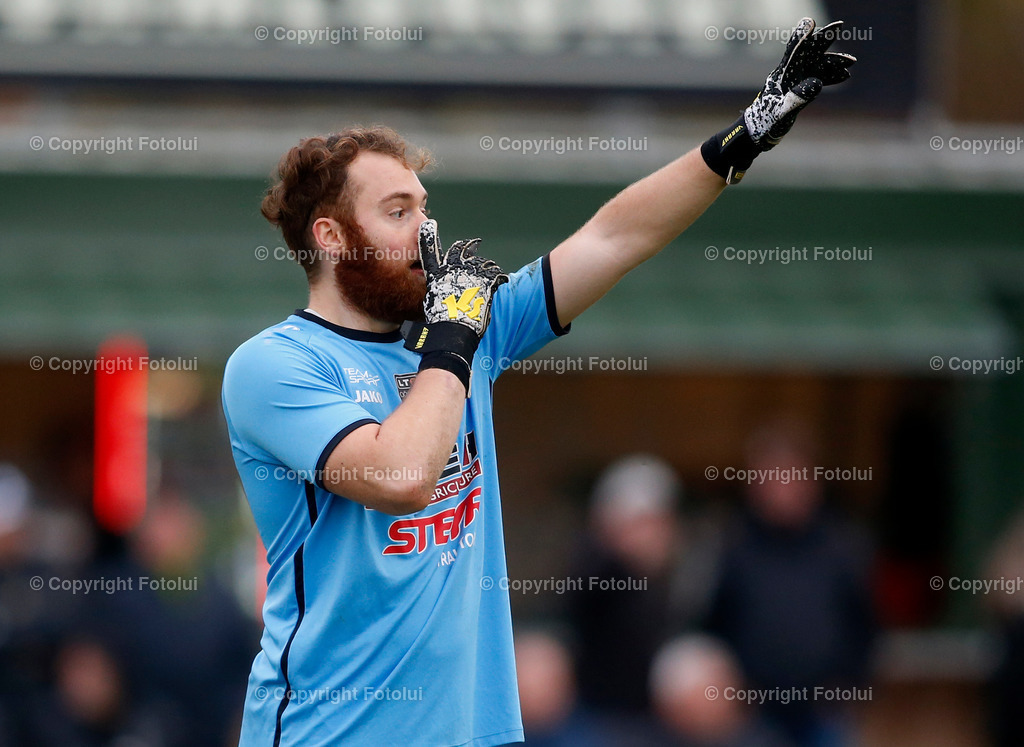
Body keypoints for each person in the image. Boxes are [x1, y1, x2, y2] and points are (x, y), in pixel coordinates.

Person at [221, 18, 855, 745]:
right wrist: (453, 341)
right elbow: (401, 475)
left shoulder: (464, 333)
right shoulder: (275, 364)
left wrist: (740, 141)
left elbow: (614, 238)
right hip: (330, 731)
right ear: (331, 238)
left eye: (425, 208)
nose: (427, 234)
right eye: (397, 212)